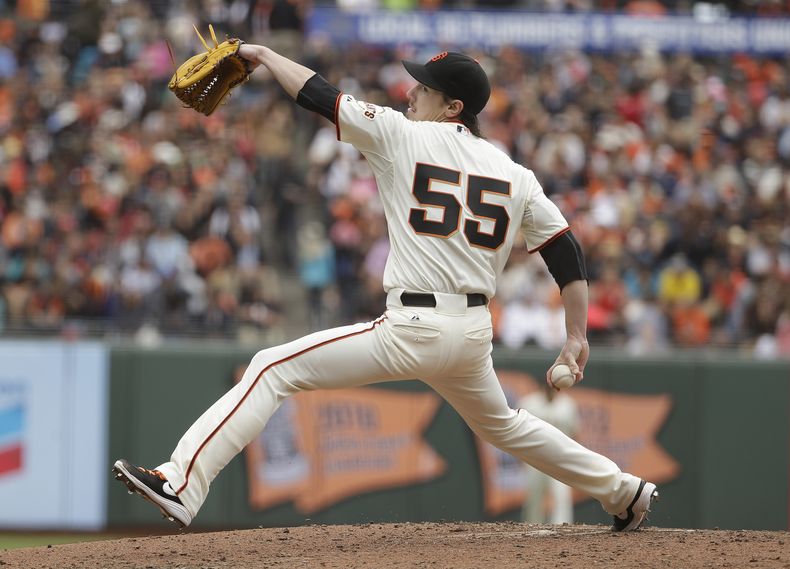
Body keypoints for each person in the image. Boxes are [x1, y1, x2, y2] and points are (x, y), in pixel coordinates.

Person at [113, 46, 658, 532]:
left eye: (424, 88)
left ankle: (180, 482)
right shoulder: (515, 173)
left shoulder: (402, 135)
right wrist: (575, 335)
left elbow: (319, 95)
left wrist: (264, 55)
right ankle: (623, 491)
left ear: (453, 106)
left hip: (413, 326)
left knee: (271, 368)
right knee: (507, 427)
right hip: (471, 334)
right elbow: (565, 252)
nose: (410, 93)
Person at [519, 382, 579, 524]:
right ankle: (532, 527)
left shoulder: (568, 405)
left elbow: (575, 433)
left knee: (561, 496)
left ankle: (562, 527)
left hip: (560, 458)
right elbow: (519, 431)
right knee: (534, 497)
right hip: (535, 458)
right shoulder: (529, 403)